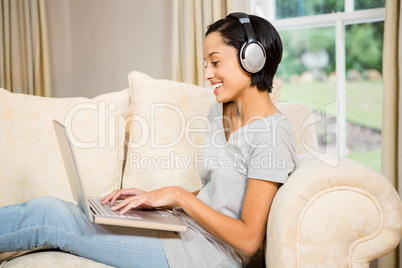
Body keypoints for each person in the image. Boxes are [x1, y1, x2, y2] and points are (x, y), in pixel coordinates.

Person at [0, 13, 298, 267]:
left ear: (253, 59)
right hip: (182, 232)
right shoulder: (220, 110)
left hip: (203, 256)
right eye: (206, 63)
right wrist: (157, 202)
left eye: (215, 62)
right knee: (61, 210)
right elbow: (218, 195)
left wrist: (178, 195)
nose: (207, 73)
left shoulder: (273, 135)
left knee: (48, 216)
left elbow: (247, 240)